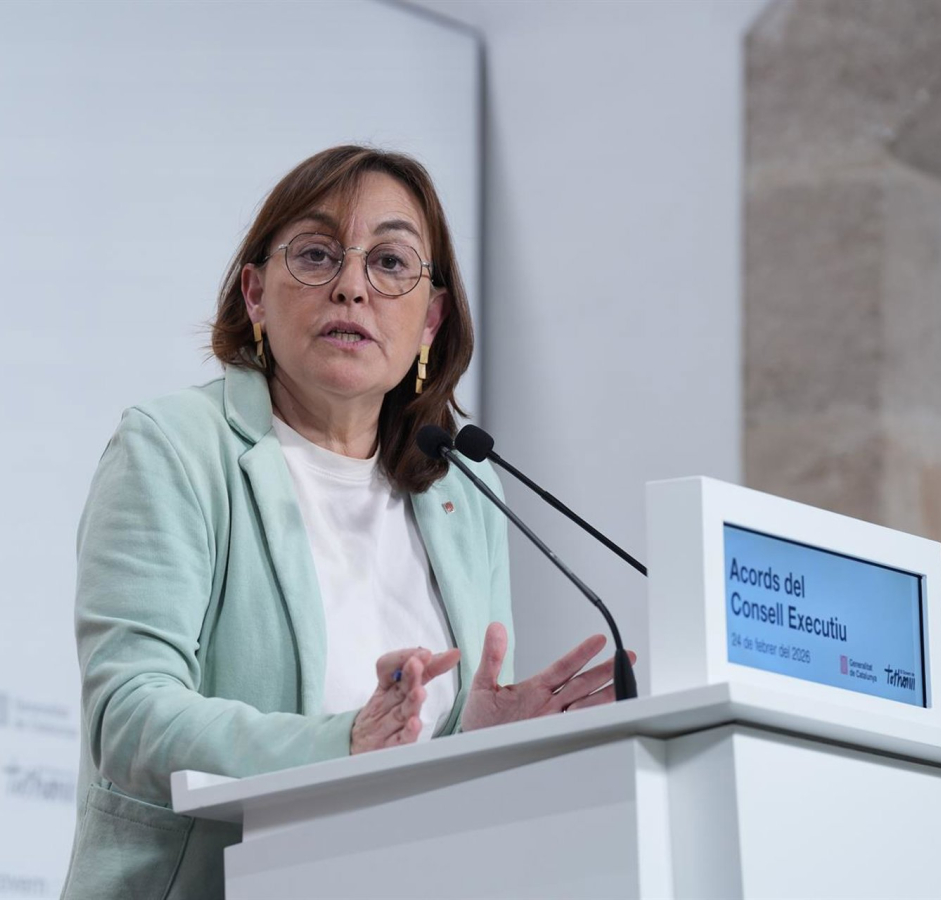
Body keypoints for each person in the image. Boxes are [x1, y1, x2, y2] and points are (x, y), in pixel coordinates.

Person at [59, 145, 631, 899]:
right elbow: (129, 718)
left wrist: (480, 741)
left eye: (390, 262)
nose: (352, 287)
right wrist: (345, 743)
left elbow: (425, 762)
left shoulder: (462, 490)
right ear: (256, 294)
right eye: (317, 255)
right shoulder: (173, 449)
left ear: (430, 319)